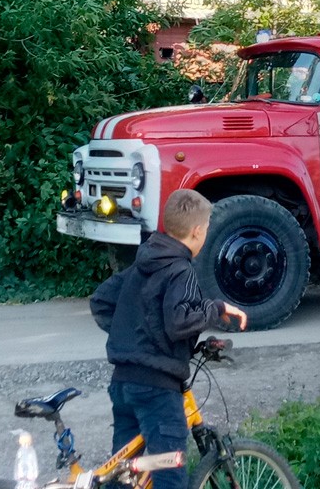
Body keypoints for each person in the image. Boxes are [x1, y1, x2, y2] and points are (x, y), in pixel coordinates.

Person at [89, 190, 248, 489]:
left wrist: (134, 338)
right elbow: (179, 322)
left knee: (122, 474)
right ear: (198, 231)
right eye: (207, 229)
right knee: (170, 474)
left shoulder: (142, 264)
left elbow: (101, 301)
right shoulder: (181, 270)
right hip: (157, 390)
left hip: (123, 383)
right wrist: (215, 308)